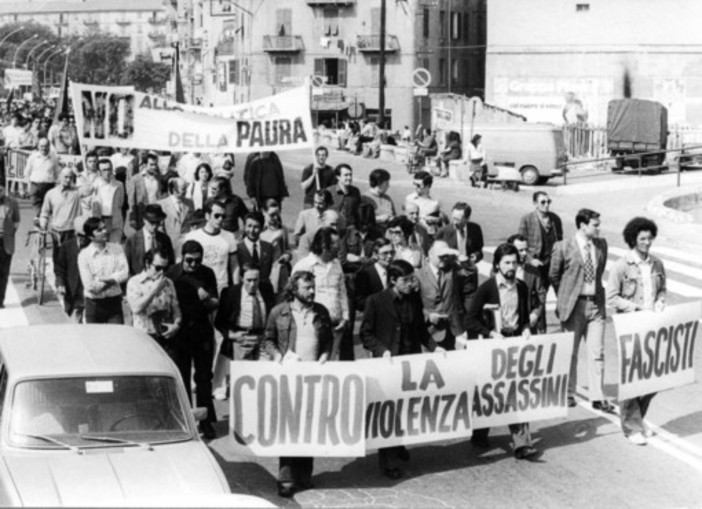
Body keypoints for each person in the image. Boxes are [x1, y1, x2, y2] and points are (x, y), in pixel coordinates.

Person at [361, 260, 442, 478]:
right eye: (405, 281)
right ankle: (389, 463)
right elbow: (366, 334)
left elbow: (420, 331)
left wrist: (434, 348)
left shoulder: (413, 300)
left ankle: (398, 446)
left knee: (406, 408)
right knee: (388, 411)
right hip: (388, 364)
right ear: (392, 281)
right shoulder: (375, 301)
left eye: (411, 279)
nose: (410, 284)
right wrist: (382, 350)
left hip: (410, 363)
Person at [464, 243, 540, 460]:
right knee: (490, 391)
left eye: (514, 263)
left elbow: (524, 318)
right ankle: (480, 432)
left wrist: (526, 330)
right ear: (497, 264)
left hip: (514, 341)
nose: (511, 267)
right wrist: (489, 333)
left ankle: (522, 443)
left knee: (516, 391)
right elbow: (470, 319)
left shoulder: (522, 287)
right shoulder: (487, 288)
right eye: (507, 262)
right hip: (493, 344)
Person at [262, 271, 333, 498]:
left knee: (309, 427)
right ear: (294, 289)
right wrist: (277, 357)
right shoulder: (278, 312)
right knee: (289, 429)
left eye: (313, 287)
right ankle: (286, 479)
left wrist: (324, 357)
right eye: (307, 288)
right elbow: (268, 339)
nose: (312, 292)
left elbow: (328, 342)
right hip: (288, 380)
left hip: (313, 379)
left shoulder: (321, 312)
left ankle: (304, 476)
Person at [607, 217, 666, 446]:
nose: (647, 242)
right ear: (633, 239)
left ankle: (637, 418)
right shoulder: (622, 266)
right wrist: (636, 308)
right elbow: (612, 297)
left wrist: (660, 301)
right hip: (631, 327)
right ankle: (631, 427)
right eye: (642, 238)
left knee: (654, 378)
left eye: (650, 238)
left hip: (653, 327)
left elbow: (662, 289)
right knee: (632, 378)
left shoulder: (657, 264)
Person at [550, 208, 614, 413]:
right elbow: (554, 274)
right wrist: (566, 295)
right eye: (595, 225)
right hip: (574, 305)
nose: (599, 228)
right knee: (571, 352)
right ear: (582, 225)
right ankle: (568, 392)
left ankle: (597, 396)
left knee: (597, 352)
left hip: (595, 304)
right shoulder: (563, 247)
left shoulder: (601, 245)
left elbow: (599, 271)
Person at [166, 239, 219, 439]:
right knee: (182, 378)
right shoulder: (172, 272)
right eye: (189, 260)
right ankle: (186, 421)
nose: (193, 265)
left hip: (201, 331)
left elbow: (215, 303)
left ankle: (205, 421)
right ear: (182, 257)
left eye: (197, 261)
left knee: (204, 378)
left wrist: (207, 298)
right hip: (180, 333)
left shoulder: (207, 273)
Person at [292, 227, 349, 360]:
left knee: (330, 367)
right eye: (335, 244)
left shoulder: (337, 264)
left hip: (336, 327)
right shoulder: (304, 265)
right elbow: (295, 298)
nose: (339, 247)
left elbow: (342, 292)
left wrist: (345, 317)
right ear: (324, 245)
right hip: (312, 328)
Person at [415, 240, 477, 350]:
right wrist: (428, 315)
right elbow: (413, 303)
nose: (444, 258)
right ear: (430, 254)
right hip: (429, 330)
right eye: (440, 255)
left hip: (451, 327)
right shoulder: (418, 275)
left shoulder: (452, 270)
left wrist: (461, 257)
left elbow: (471, 271)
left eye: (446, 255)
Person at [126, 247, 182, 359]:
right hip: (144, 337)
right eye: (158, 268)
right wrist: (155, 290)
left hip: (165, 336)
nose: (162, 272)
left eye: (165, 269)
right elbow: (136, 308)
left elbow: (176, 307)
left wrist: (176, 324)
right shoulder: (135, 282)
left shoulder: (168, 282)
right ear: (147, 263)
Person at [215, 262, 274, 361]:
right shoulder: (230, 293)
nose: (252, 284)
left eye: (256, 280)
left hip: (263, 339)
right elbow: (219, 321)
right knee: (243, 372)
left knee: (264, 372)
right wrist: (232, 335)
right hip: (243, 339)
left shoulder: (266, 289)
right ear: (242, 278)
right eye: (249, 280)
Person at [77, 217, 129, 324]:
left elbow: (125, 273)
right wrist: (114, 280)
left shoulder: (117, 249)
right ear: (91, 236)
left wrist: (101, 279)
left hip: (114, 303)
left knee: (117, 338)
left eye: (104, 228)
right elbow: (90, 286)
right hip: (93, 305)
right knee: (95, 339)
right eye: (99, 230)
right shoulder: (84, 255)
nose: (105, 231)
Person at [183, 200, 239, 294]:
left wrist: (236, 288)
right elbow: (184, 265)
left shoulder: (229, 237)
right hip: (199, 287)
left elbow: (234, 265)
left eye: (223, 216)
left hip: (222, 287)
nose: (220, 219)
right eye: (217, 215)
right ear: (207, 216)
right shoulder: (192, 236)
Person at [518, 191, 563, 292]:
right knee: (533, 296)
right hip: (534, 265)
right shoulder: (527, 219)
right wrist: (530, 260)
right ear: (535, 204)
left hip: (552, 264)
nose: (546, 205)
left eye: (548, 202)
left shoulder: (555, 219)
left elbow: (560, 241)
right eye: (543, 202)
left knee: (560, 294)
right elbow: (520, 245)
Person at [39, 168, 92, 248]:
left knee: (72, 257)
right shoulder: (51, 194)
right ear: (60, 177)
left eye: (70, 177)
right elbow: (45, 213)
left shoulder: (77, 192)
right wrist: (43, 226)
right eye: (66, 177)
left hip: (72, 230)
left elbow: (91, 188)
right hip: (57, 231)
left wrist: (78, 174)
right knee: (58, 258)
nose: (68, 180)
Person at [508, 234, 547, 334]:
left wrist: (536, 313)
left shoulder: (533, 272)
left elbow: (541, 294)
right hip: (507, 324)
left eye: (526, 250)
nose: (524, 253)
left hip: (528, 324)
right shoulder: (500, 272)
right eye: (520, 250)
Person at [124, 204, 175, 276]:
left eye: (158, 223)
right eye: (152, 222)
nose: (155, 226)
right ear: (144, 220)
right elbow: (126, 268)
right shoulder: (132, 240)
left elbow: (171, 264)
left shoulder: (165, 239)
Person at [55, 215, 87, 322]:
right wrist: (60, 284)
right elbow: (60, 269)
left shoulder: (93, 246)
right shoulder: (66, 247)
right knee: (75, 328)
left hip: (91, 296)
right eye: (80, 236)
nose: (83, 239)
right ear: (75, 234)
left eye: (86, 236)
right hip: (74, 296)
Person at [259, 198, 293, 295]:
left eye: (277, 214)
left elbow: (287, 250)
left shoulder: (282, 229)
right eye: (272, 215)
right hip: (265, 273)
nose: (275, 218)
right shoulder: (259, 230)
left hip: (280, 271)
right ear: (263, 212)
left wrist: (287, 256)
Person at [237, 211, 275, 297]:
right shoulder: (238, 248)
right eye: (249, 226)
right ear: (244, 227)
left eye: (256, 227)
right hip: (244, 292)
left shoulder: (268, 247)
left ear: (262, 228)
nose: (252, 230)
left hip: (265, 292)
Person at [127, 152, 165, 232]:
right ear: (145, 164)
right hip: (142, 215)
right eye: (151, 164)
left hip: (155, 213)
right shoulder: (136, 179)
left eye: (155, 164)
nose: (154, 167)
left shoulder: (158, 178)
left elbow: (160, 196)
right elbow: (131, 200)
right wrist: (132, 217)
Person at [355, 238, 394, 312]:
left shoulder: (395, 271)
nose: (389, 256)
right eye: (385, 253)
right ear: (375, 255)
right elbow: (360, 303)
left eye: (391, 252)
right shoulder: (364, 275)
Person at [92, 158, 125, 243]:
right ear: (99, 172)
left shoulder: (119, 185)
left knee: (114, 249)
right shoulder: (94, 186)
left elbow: (121, 203)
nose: (107, 172)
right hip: (100, 221)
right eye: (104, 170)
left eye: (109, 169)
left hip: (115, 221)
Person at [157, 177, 194, 251]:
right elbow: (160, 228)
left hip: (186, 245)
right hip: (169, 245)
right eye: (183, 189)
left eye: (186, 188)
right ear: (174, 190)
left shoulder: (190, 203)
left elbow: (192, 222)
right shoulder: (161, 204)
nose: (186, 191)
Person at [25, 138, 59, 217]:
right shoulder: (33, 157)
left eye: (46, 146)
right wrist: (28, 185)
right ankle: (39, 225)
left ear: (49, 146)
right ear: (38, 146)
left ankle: (43, 226)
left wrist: (58, 185)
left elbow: (57, 171)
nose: (44, 148)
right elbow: (27, 172)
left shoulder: (53, 157)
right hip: (36, 186)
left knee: (47, 211)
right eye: (41, 146)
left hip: (49, 186)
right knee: (38, 211)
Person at [0, 181, 20, 308]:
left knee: (3, 272)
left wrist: (9, 233)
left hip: (6, 242)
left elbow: (17, 221)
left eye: (0, 189)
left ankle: (0, 300)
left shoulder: (12, 203)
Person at [405, 171, 441, 237]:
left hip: (425, 235)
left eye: (418, 185)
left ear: (427, 186)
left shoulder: (434, 204)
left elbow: (436, 222)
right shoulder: (409, 198)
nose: (415, 187)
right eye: (414, 184)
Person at [327, 163, 361, 228]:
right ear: (338, 177)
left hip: (350, 229)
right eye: (346, 175)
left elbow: (358, 211)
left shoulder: (355, 191)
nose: (349, 177)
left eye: (350, 175)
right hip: (333, 228)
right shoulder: (329, 191)